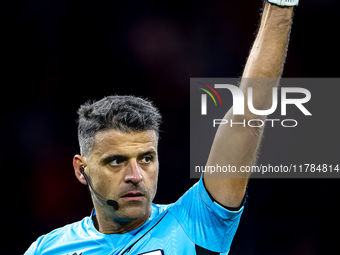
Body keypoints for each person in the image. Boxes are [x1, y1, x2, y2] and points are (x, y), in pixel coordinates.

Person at [25, 1, 298, 254]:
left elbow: (246, 119)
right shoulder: (47, 249)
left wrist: (281, 5)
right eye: (116, 161)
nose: (136, 175)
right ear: (81, 169)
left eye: (146, 158)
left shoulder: (195, 223)